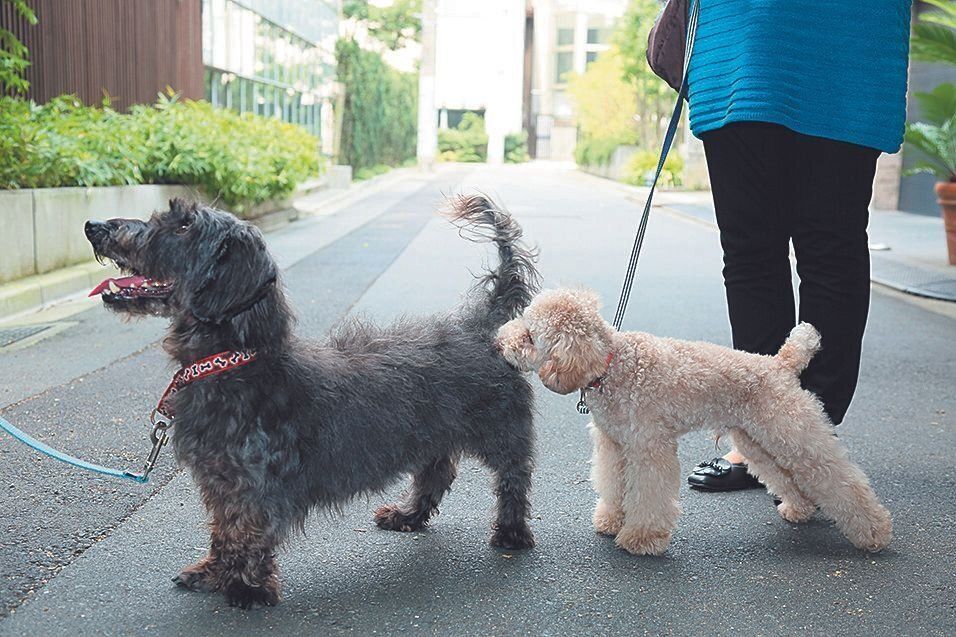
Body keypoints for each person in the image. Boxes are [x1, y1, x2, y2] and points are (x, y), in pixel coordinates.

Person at [683, 1, 913, 490]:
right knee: (751, 252)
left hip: (843, 45)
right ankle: (764, 436)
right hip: (737, 49)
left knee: (828, 247)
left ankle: (810, 438)